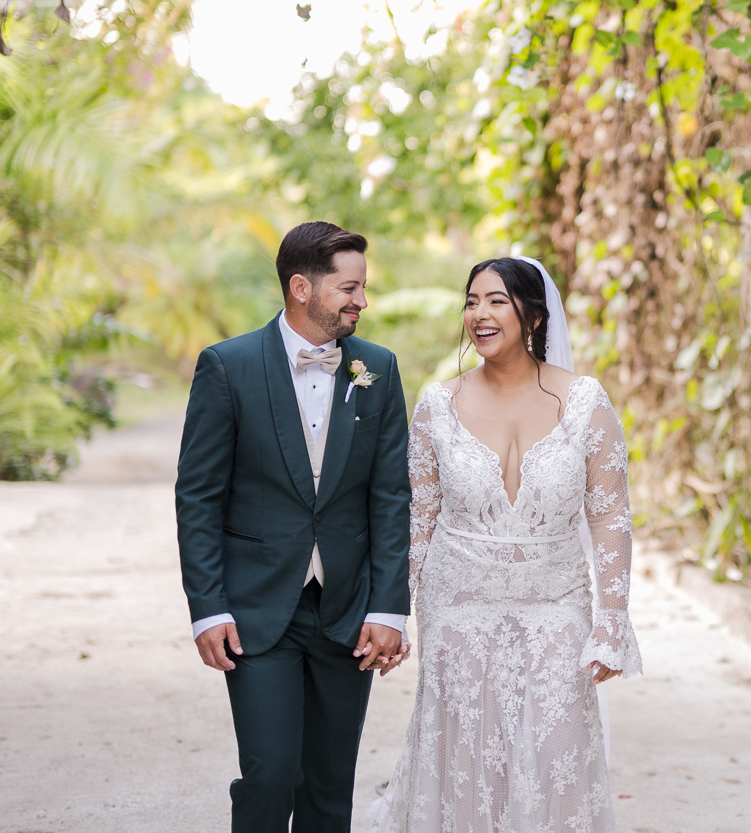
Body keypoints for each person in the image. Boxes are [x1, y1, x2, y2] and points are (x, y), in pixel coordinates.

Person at [374, 256, 642, 833]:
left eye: (496, 300)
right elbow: (418, 519)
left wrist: (611, 621)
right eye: (471, 301)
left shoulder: (587, 402)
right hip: (457, 606)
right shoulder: (436, 405)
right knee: (468, 757)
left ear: (535, 315)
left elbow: (611, 517)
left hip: (556, 605)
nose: (480, 313)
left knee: (553, 754)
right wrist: (393, 609)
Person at [175, 221, 414, 833]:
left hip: (347, 612)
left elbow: (390, 498)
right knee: (272, 770)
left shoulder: (377, 370)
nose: (361, 301)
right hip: (255, 609)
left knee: (330, 786)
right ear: (302, 287)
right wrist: (208, 607)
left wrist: (389, 609)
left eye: (363, 288)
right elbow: (198, 495)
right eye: (350, 288)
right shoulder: (227, 367)